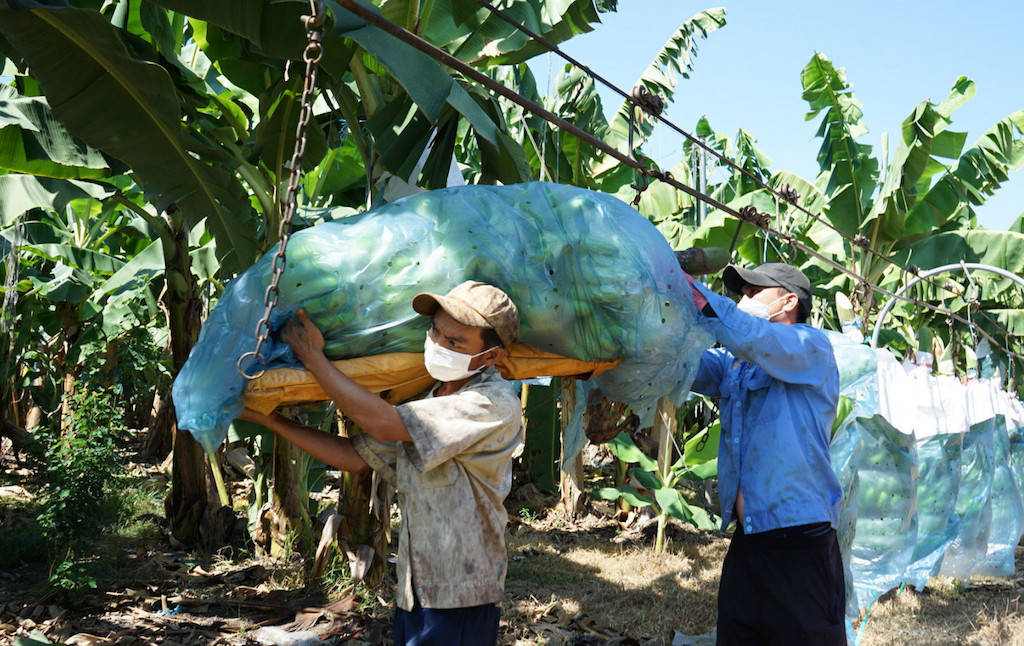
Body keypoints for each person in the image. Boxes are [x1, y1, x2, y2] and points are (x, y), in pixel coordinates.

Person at [238, 280, 524, 646]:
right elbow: (355, 458)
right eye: (435, 331)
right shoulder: (428, 399)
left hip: (461, 587)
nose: (437, 344)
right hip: (415, 582)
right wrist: (271, 420)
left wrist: (314, 358)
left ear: (491, 357)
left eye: (455, 343)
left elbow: (384, 424)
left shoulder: (492, 403)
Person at [682, 261, 846, 645]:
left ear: (788, 301)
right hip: (749, 542)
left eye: (754, 292)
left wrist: (689, 289)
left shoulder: (811, 347)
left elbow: (754, 338)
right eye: (742, 292)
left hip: (800, 545)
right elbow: (684, 367)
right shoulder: (736, 365)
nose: (744, 299)